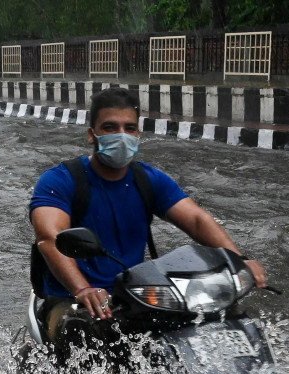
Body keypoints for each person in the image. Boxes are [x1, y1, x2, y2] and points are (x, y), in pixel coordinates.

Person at [29, 86, 268, 350]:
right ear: (91, 135)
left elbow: (197, 220)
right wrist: (82, 289)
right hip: (71, 299)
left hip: (135, 296)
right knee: (81, 330)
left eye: (129, 128)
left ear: (138, 134)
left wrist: (240, 259)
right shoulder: (60, 180)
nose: (121, 135)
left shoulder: (149, 180)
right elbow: (50, 238)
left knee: (222, 320)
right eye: (110, 127)